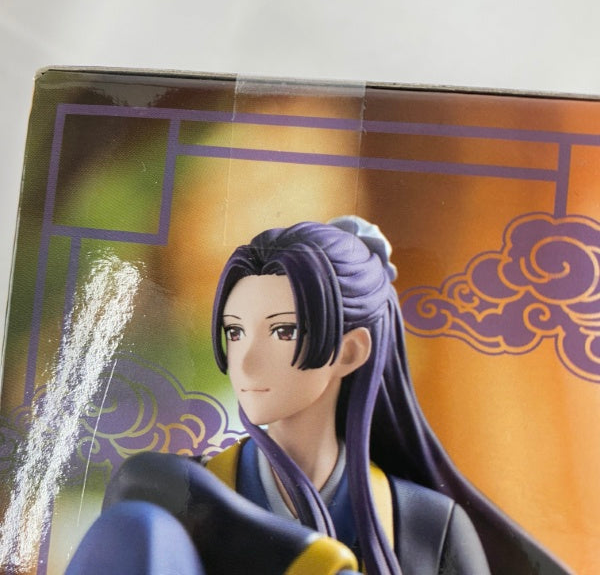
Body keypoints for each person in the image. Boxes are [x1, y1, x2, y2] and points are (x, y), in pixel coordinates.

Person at [67, 217, 572, 575]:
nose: (246, 361)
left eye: (283, 332)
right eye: (235, 332)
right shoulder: (180, 497)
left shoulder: (427, 527)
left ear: (350, 351)